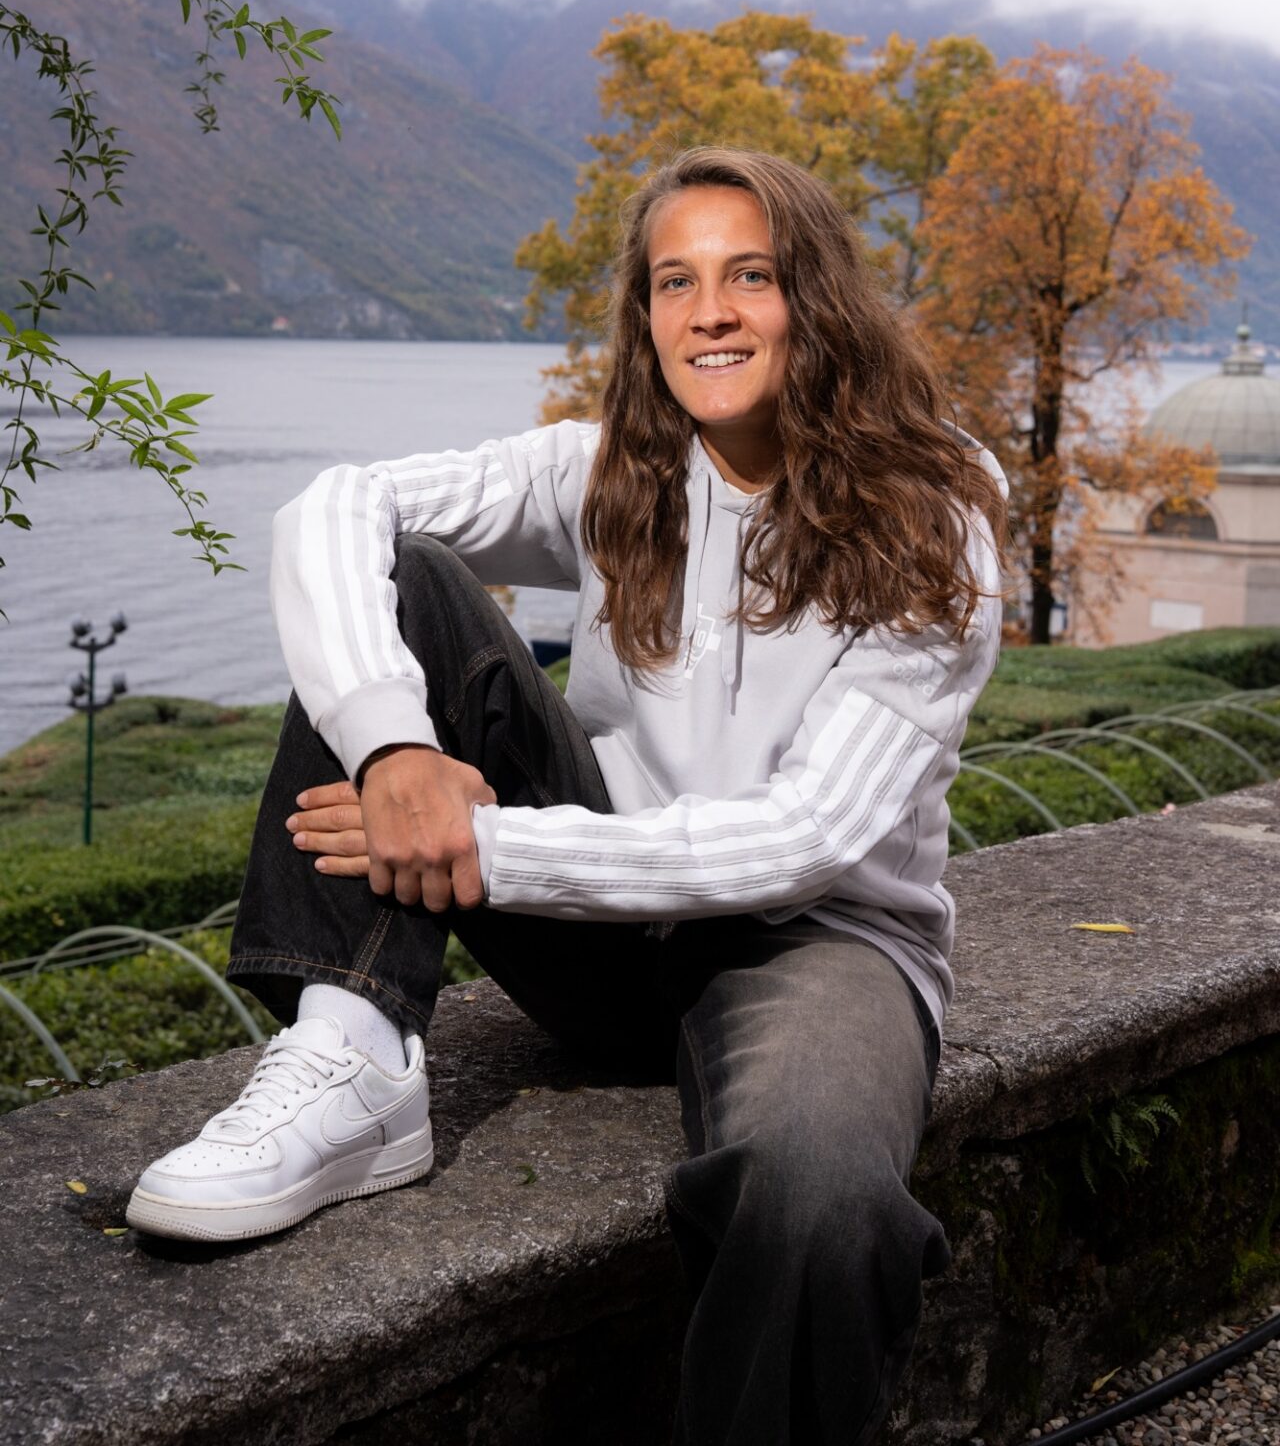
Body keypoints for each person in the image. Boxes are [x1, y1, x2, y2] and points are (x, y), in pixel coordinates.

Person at [127, 145, 1009, 1445]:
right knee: (408, 578)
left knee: (822, 1200)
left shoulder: (931, 516)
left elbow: (811, 835)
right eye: (675, 282)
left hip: (816, 942)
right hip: (603, 933)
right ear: (645, 316)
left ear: (816, 297)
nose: (709, 312)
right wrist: (393, 751)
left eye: (750, 275)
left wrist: (482, 847)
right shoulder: (609, 473)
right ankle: (353, 1057)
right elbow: (334, 507)